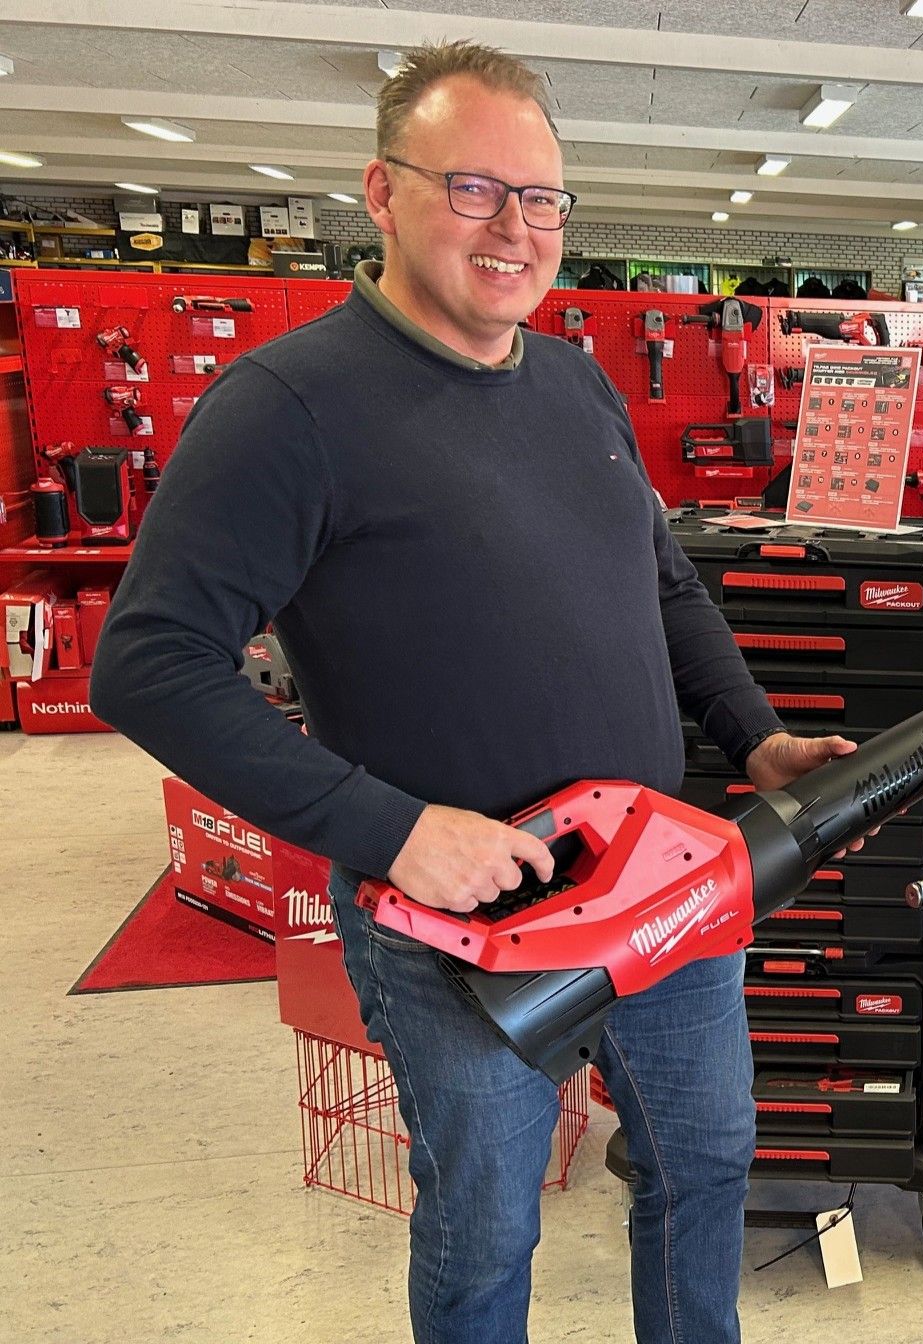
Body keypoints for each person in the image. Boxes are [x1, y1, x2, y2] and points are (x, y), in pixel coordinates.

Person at [90, 40, 855, 1344]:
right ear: (381, 195)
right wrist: (394, 833)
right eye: (476, 189)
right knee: (489, 1224)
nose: (517, 229)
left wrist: (757, 736)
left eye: (543, 197)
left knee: (706, 1161)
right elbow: (147, 664)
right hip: (456, 925)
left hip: (655, 878)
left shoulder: (571, 379)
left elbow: (661, 583)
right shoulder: (286, 407)